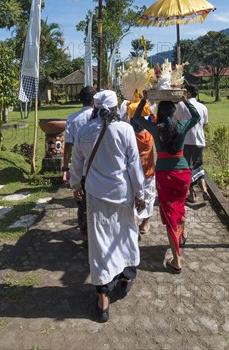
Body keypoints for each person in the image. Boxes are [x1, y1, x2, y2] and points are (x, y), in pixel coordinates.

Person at [70, 90, 145, 323]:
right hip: (123, 195)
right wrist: (140, 192)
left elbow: (77, 163)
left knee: (100, 242)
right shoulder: (125, 130)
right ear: (115, 108)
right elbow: (134, 165)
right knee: (125, 235)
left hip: (95, 195)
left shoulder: (84, 131)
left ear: (95, 106)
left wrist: (75, 184)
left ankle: (103, 298)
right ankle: (125, 277)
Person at [134, 89, 200, 273]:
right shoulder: (182, 125)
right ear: (174, 112)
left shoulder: (155, 128)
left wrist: (144, 100)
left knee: (170, 213)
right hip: (183, 173)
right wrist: (185, 100)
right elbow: (195, 117)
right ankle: (181, 237)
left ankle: (177, 259)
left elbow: (137, 118)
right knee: (179, 207)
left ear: (159, 114)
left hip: (164, 174)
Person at [62, 86, 96, 241]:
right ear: (93, 100)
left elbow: (68, 146)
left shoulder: (73, 118)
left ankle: (86, 235)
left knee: (82, 206)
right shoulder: (98, 118)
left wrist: (65, 168)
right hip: (97, 168)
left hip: (80, 169)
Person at [175, 84, 210, 202]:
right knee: (198, 165)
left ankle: (192, 195)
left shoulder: (181, 105)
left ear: (188, 93)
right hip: (199, 140)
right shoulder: (203, 107)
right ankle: (204, 190)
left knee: (187, 168)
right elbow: (205, 124)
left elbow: (178, 121)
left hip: (186, 141)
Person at [130, 118, 156, 234]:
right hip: (148, 172)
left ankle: (134, 217)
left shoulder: (130, 137)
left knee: (133, 197)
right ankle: (145, 224)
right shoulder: (149, 136)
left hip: (133, 174)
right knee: (149, 198)